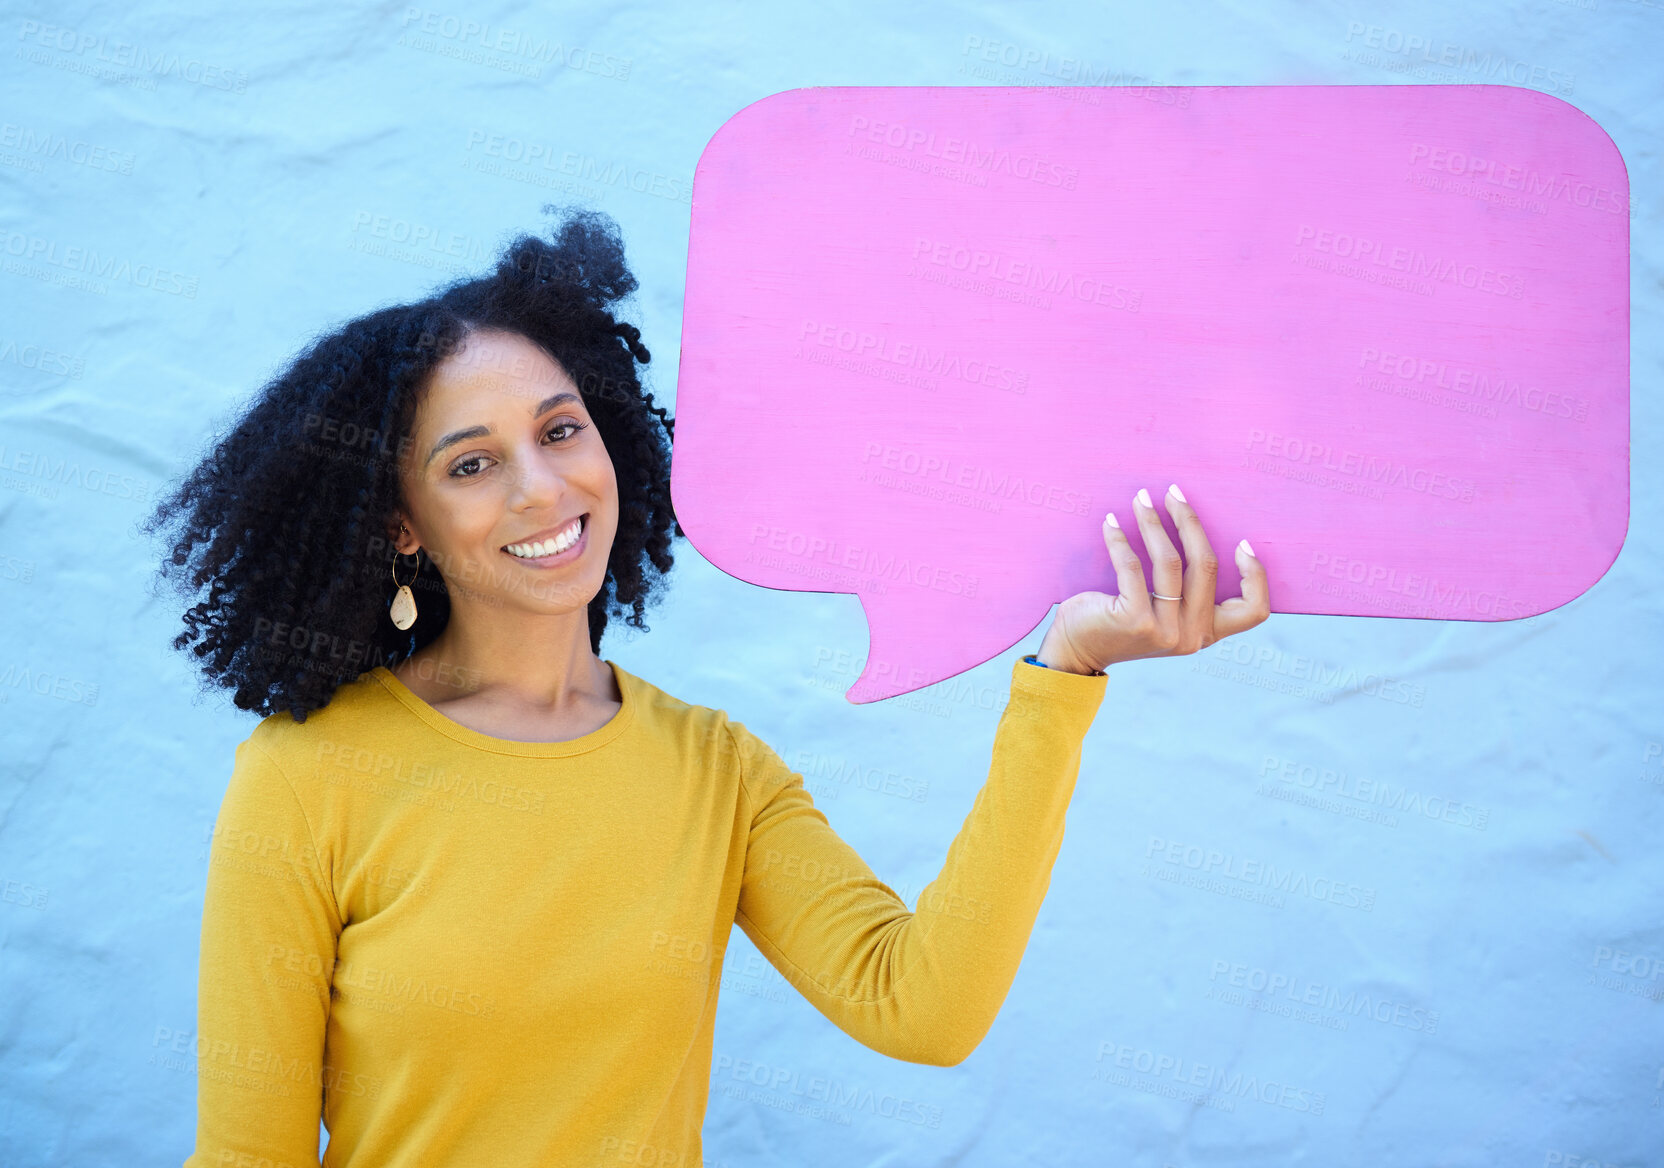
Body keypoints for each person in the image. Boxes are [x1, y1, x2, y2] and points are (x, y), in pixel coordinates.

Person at [147, 205, 1269, 1168]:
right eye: (472, 463)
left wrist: (1061, 673)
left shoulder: (713, 769)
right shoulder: (307, 777)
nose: (543, 489)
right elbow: (250, 1152)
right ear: (401, 523)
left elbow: (921, 1006)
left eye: (560, 430)